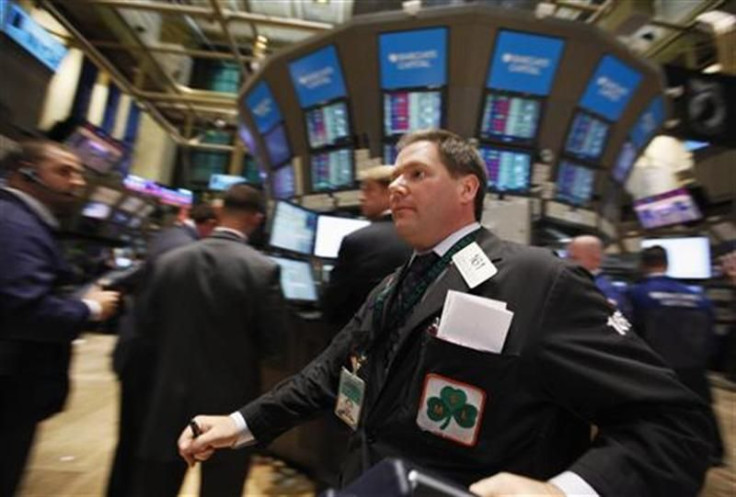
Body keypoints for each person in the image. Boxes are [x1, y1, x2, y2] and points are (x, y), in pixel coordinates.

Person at [178, 130, 711, 497]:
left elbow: (672, 424)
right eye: (395, 177)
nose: (396, 186)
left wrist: (565, 489)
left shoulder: (538, 281)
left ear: (466, 187)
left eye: (417, 172)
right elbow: (328, 374)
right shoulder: (394, 285)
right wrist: (240, 423)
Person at [132, 184, 288, 497]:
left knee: (155, 488)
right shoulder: (263, 270)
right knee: (222, 490)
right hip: (230, 408)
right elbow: (275, 347)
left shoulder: (170, 262)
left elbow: (144, 332)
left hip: (167, 399)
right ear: (256, 219)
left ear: (218, 212)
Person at [0, 140, 120, 496]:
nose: (78, 182)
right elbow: (23, 311)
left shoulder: (21, 220)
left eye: (80, 172)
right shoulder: (14, 224)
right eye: (64, 171)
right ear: (26, 174)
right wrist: (91, 308)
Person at [106, 202, 218, 497]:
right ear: (211, 224)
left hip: (137, 351)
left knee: (130, 442)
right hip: (147, 359)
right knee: (141, 445)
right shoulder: (183, 250)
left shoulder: (170, 237)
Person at [628, 245, 724, 465]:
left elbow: (629, 330)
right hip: (694, 367)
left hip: (657, 367)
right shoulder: (699, 298)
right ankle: (714, 453)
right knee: (702, 409)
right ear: (667, 264)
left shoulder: (637, 293)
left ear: (643, 265)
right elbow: (711, 335)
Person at [322, 165, 411, 328]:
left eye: (369, 191)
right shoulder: (419, 234)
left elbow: (332, 303)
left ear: (390, 193)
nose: (361, 198)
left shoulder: (357, 240)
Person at [567, 235, 631, 318]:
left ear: (596, 257)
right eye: (567, 257)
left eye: (574, 258)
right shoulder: (569, 280)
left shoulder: (609, 289)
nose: (567, 262)